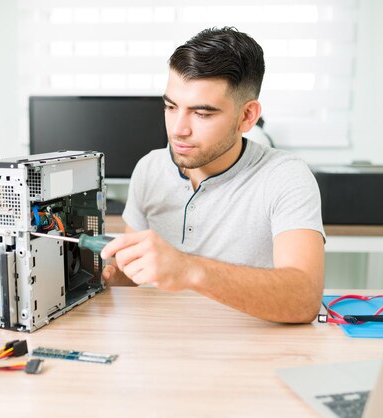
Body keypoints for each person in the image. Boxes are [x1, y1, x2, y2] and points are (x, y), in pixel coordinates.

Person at [100, 27, 325, 324]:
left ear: (247, 116)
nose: (178, 129)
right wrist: (106, 274)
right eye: (171, 106)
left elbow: (304, 298)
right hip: (161, 340)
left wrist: (189, 269)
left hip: (249, 350)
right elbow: (133, 274)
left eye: (202, 113)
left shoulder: (286, 177)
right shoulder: (149, 168)